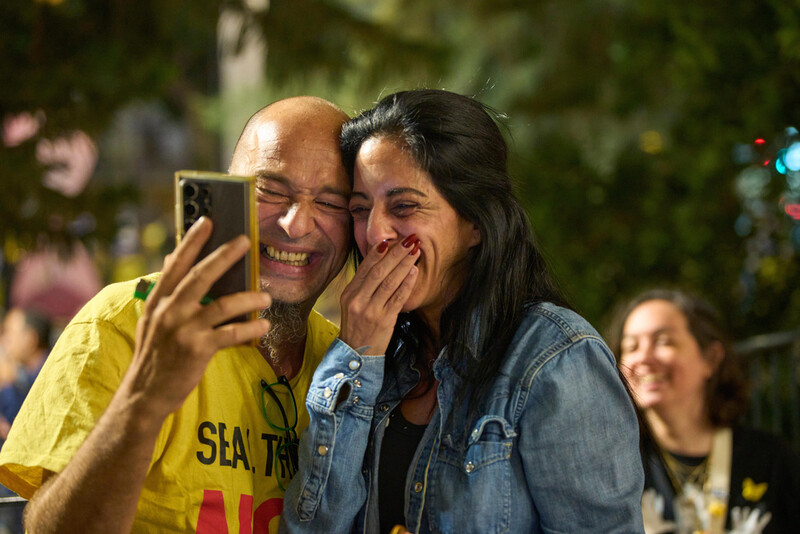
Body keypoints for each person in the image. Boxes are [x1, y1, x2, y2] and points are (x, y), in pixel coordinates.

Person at [280, 89, 645, 533]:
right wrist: (354, 360)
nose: (375, 233)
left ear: (476, 222)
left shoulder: (556, 360)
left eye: (404, 206)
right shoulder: (378, 363)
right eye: (360, 209)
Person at [0, 96, 353, 533]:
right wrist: (145, 398)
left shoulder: (350, 362)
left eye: (331, 203)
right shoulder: (119, 323)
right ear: (227, 195)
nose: (296, 224)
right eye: (270, 190)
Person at [607, 288, 800, 534]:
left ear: (710, 358)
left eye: (663, 341)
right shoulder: (614, 465)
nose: (643, 357)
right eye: (631, 346)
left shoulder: (772, 461)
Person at [0, 308, 51, 534]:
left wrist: (9, 384)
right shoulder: (23, 374)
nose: (3, 341)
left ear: (30, 339)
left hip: (37, 493)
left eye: (9, 333)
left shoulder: (48, 373)